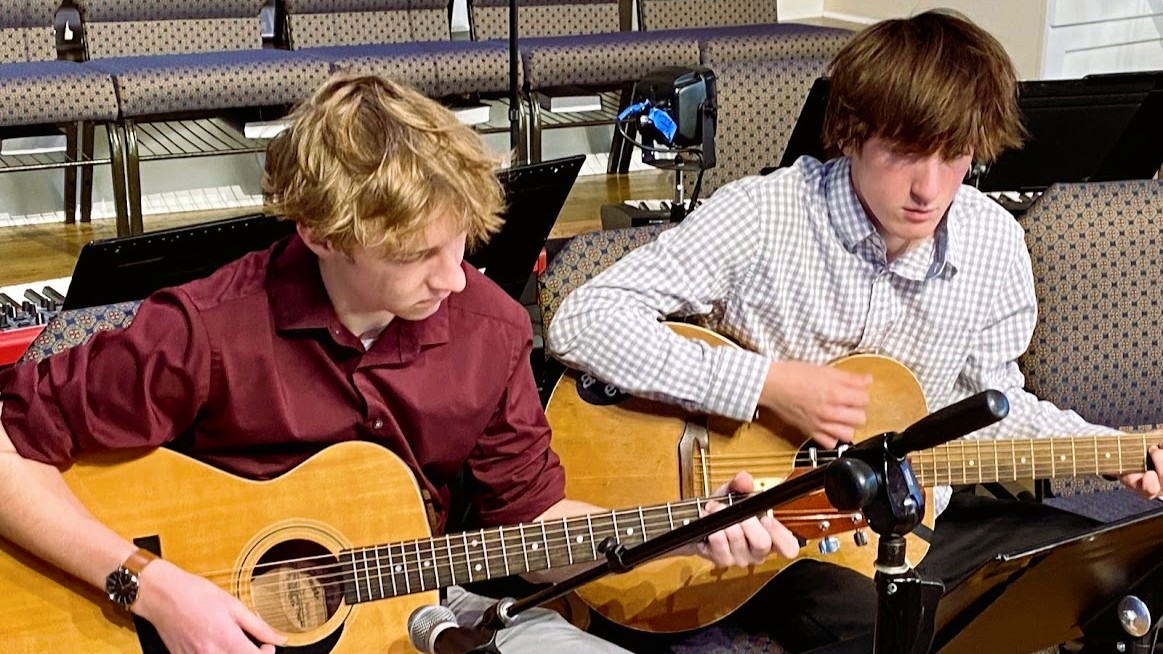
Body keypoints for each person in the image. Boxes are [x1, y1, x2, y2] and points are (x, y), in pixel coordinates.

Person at [0, 73, 798, 653]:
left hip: (415, 607)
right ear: (320, 236)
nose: (454, 279)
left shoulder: (486, 326)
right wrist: (151, 586)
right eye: (419, 256)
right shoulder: (203, 330)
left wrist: (682, 534)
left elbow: (533, 519)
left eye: (462, 244)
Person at [548, 10, 1163, 652]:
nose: (928, 187)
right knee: (890, 632)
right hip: (766, 533)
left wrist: (1115, 449)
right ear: (853, 134)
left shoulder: (995, 244)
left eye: (952, 155)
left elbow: (989, 408)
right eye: (903, 151)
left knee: (1105, 572)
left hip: (901, 526)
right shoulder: (765, 214)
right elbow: (584, 320)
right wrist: (765, 384)